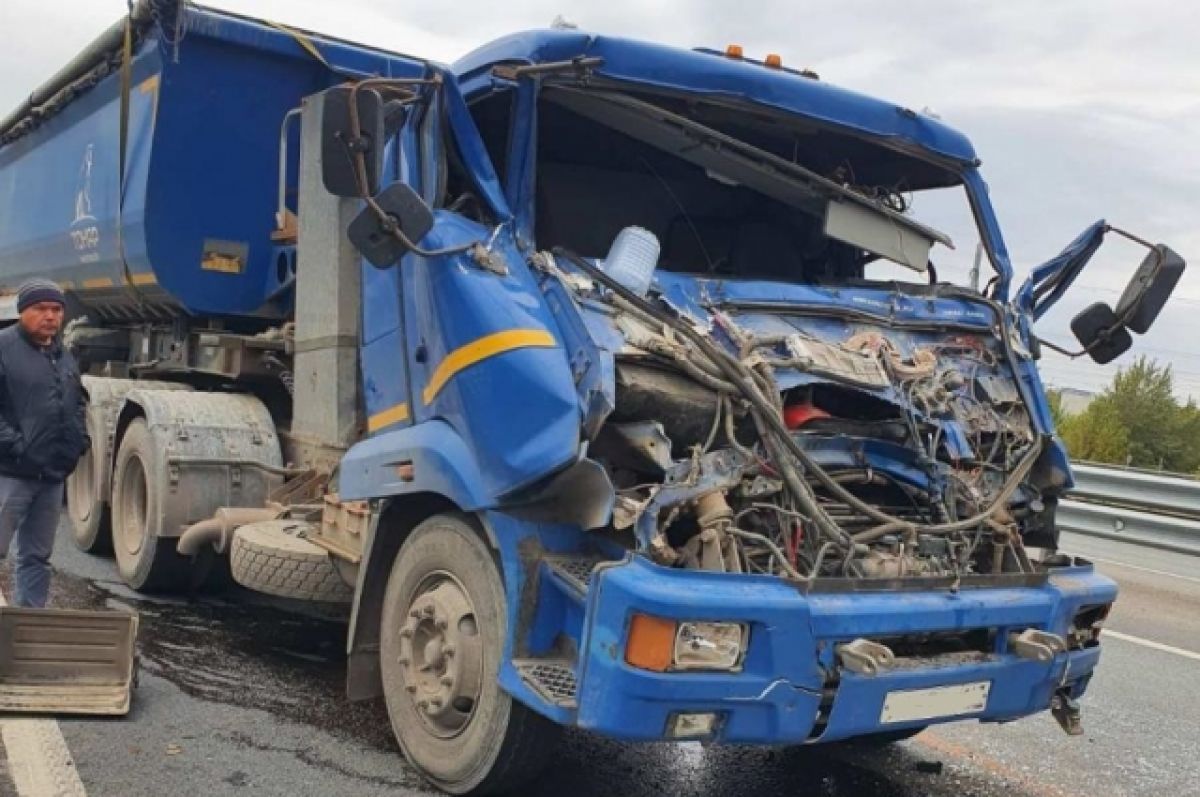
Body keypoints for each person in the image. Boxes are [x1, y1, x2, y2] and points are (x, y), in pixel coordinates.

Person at [0, 279, 89, 607]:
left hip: (51, 476)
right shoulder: (4, 347)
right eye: (40, 309)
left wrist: (79, 442)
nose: (50, 316)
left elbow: (77, 402)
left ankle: (28, 623)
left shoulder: (62, 354)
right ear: (22, 311)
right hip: (11, 473)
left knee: (36, 557)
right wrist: (17, 447)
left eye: (56, 309)